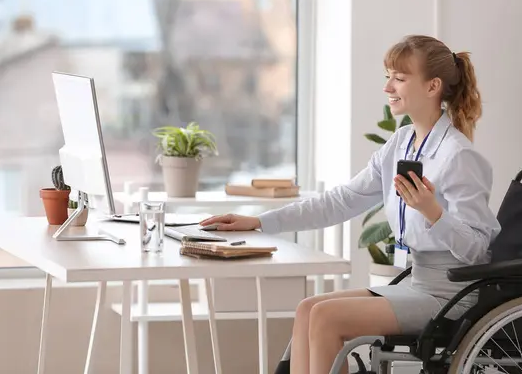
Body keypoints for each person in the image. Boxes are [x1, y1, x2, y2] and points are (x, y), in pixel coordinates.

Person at [199, 34, 501, 374]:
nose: (388, 87)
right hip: (417, 283)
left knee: (327, 317)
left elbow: (477, 250)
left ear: (432, 87)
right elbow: (341, 201)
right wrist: (259, 222)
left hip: (451, 297)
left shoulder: (459, 156)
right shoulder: (402, 142)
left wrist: (432, 211)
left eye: (399, 78)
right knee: (307, 309)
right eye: (388, 76)